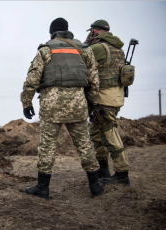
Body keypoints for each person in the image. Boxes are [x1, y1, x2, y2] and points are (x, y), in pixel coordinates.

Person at [21, 17, 103, 199]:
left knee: (47, 146)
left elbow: (32, 78)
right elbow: (94, 79)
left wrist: (26, 102)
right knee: (84, 145)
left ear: (52, 33)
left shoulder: (45, 50)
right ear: (67, 31)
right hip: (78, 105)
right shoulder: (84, 49)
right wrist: (91, 102)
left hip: (52, 106)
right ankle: (95, 186)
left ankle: (43, 187)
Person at [84, 20, 130, 186]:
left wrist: (87, 42)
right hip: (115, 97)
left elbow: (82, 57)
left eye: (91, 32)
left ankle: (122, 174)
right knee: (96, 133)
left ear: (95, 31)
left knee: (110, 135)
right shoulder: (118, 48)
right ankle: (103, 171)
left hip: (103, 99)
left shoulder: (98, 48)